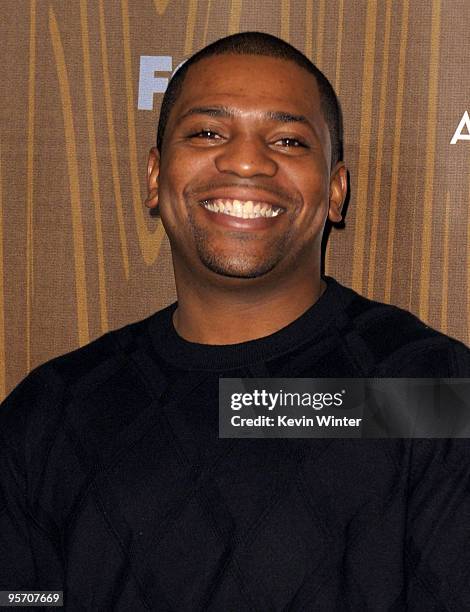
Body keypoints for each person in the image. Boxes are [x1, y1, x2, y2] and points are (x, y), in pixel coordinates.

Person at [1, 31, 469, 611]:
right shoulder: (48, 414)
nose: (247, 160)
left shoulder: (433, 390)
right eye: (207, 133)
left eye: (289, 140)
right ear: (154, 177)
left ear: (336, 192)